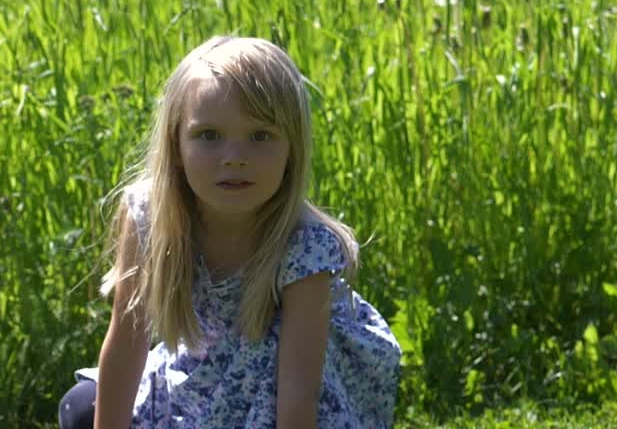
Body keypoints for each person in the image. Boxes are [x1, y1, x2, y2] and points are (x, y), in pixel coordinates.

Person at [59, 36, 401, 429]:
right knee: (83, 408)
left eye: (260, 137)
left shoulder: (305, 246)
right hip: (202, 365)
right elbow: (126, 342)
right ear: (176, 144)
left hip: (280, 392)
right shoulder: (150, 217)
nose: (234, 157)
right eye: (209, 136)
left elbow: (298, 393)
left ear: (292, 150)